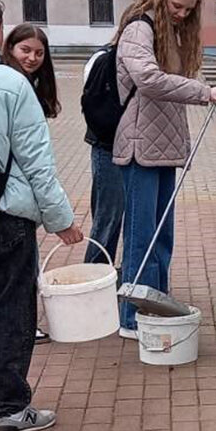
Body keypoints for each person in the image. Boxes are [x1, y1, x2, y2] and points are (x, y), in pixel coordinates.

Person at [0, 0, 83, 431]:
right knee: (9, 309)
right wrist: (62, 221)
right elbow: (39, 165)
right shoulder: (9, 83)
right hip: (5, 215)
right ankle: (12, 408)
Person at [113, 0, 216, 339]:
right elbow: (148, 79)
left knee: (162, 235)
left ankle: (156, 300)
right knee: (141, 234)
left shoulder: (171, 33)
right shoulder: (139, 29)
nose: (182, 14)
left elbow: (169, 82)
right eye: (177, 6)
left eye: (189, 10)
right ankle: (131, 316)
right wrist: (202, 92)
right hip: (140, 148)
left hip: (164, 148)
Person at [2, 24, 61, 345]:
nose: (32, 58)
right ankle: (22, 329)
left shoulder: (31, 84)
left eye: (39, 53)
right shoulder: (11, 85)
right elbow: (35, 159)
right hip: (11, 194)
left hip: (17, 191)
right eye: (25, 50)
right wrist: (59, 218)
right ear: (9, 46)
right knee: (18, 270)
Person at [82, 28, 126, 270]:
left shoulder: (111, 57)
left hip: (118, 145)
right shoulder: (104, 59)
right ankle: (95, 272)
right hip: (107, 146)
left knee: (113, 214)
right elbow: (92, 103)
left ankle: (107, 271)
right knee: (107, 216)